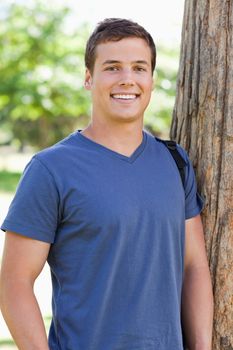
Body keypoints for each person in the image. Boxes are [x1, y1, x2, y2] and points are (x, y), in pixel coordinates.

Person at [0, 18, 213, 350]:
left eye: (139, 68)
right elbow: (15, 284)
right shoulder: (51, 169)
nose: (127, 79)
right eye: (112, 67)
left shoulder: (175, 162)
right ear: (89, 78)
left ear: (152, 80)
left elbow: (195, 265)